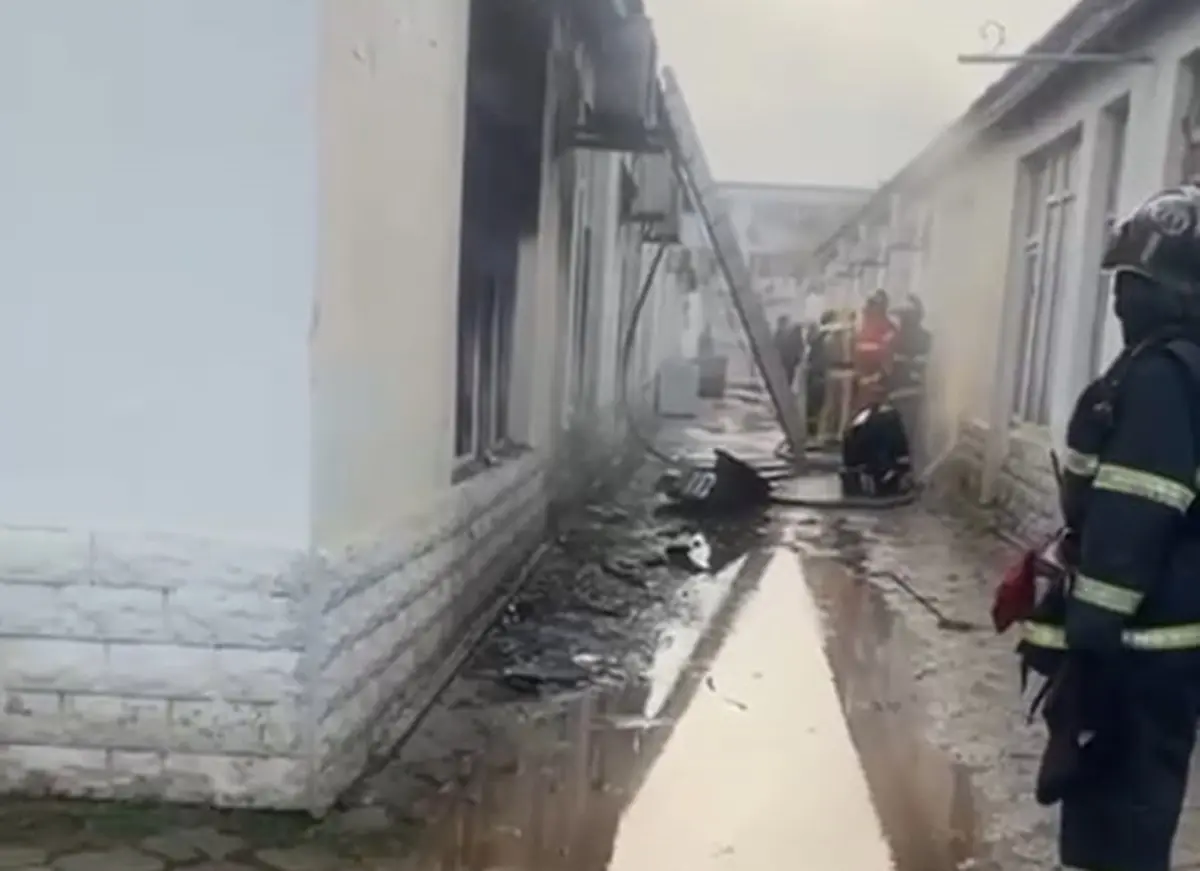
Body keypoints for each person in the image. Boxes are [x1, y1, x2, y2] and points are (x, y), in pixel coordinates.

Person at [1017, 185, 1200, 871]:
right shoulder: (1178, 367)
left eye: (1134, 283)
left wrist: (1087, 643)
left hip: (1137, 648)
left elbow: (1133, 517)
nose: (1120, 299)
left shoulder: (1160, 378)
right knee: (1133, 812)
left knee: (1117, 826)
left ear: (1175, 292)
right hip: (1166, 640)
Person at [891, 296, 931, 464]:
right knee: (915, 431)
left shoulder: (896, 338)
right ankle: (913, 461)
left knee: (901, 431)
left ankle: (904, 462)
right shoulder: (926, 338)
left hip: (899, 391)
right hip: (916, 391)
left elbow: (890, 366)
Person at [851, 290, 898, 411]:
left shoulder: (889, 330)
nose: (867, 312)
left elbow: (889, 364)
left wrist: (874, 378)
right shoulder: (859, 330)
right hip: (858, 384)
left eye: (872, 307)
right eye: (867, 308)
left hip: (878, 384)